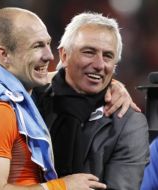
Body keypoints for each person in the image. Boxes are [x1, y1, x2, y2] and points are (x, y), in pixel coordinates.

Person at [0, 8, 139, 190]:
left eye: (48, 43)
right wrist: (62, 186)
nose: (49, 55)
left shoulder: (19, 94)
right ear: (3, 54)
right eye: (37, 46)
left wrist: (110, 84)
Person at [38, 12, 149, 189]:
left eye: (108, 56)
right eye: (89, 52)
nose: (99, 64)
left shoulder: (128, 124)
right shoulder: (32, 100)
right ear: (64, 56)